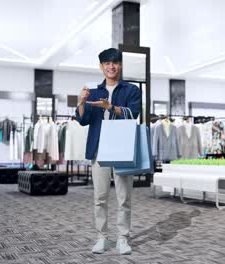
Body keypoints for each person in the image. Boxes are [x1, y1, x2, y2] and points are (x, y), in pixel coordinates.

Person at [75, 48, 141, 255]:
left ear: (120, 65)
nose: (111, 67)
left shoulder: (131, 90)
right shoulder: (94, 92)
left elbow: (133, 115)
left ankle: (123, 238)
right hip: (99, 149)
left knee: (124, 197)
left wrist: (110, 107)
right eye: (106, 63)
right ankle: (101, 237)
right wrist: (81, 101)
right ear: (101, 66)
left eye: (114, 63)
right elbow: (84, 120)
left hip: (121, 147)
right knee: (100, 197)